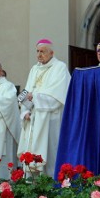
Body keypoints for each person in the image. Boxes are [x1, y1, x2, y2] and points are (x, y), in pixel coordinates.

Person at [18, 39, 71, 177]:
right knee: (31, 156)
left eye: (43, 51)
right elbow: (25, 92)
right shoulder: (34, 69)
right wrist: (25, 111)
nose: (39, 54)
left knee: (50, 153)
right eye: (38, 51)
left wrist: (34, 97)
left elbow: (57, 96)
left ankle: (50, 186)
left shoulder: (60, 67)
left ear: (51, 53)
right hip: (33, 120)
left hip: (50, 119)